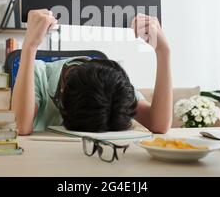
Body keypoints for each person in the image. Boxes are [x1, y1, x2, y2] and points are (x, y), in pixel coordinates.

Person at [12, 9, 172, 135]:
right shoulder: (39, 73)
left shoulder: (112, 85)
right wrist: (29, 47)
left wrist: (164, 51)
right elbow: (21, 127)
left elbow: (158, 125)